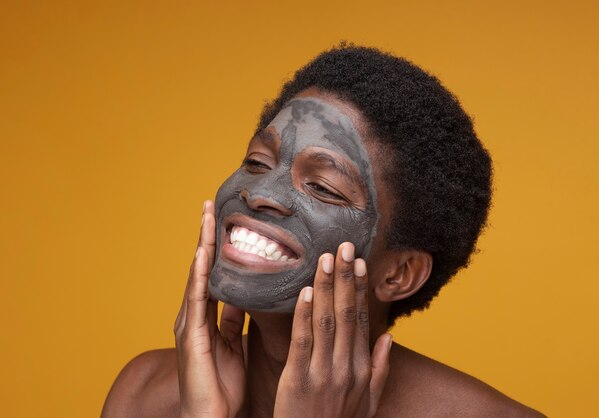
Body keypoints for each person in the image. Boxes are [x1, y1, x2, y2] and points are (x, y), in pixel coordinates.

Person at [102, 45, 545, 417]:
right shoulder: (145, 395)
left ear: (398, 273)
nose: (260, 193)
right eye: (257, 162)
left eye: (322, 187)